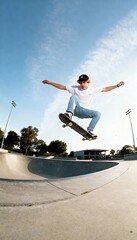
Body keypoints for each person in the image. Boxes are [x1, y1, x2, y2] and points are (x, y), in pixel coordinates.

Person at [42, 74, 125, 138]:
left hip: (84, 112)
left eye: (84, 82)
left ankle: (89, 131)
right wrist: (50, 83)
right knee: (74, 96)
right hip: (75, 109)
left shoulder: (93, 89)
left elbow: (105, 89)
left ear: (88, 82)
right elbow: (62, 87)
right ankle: (69, 114)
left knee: (98, 114)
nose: (82, 84)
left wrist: (116, 86)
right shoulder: (74, 88)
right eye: (80, 82)